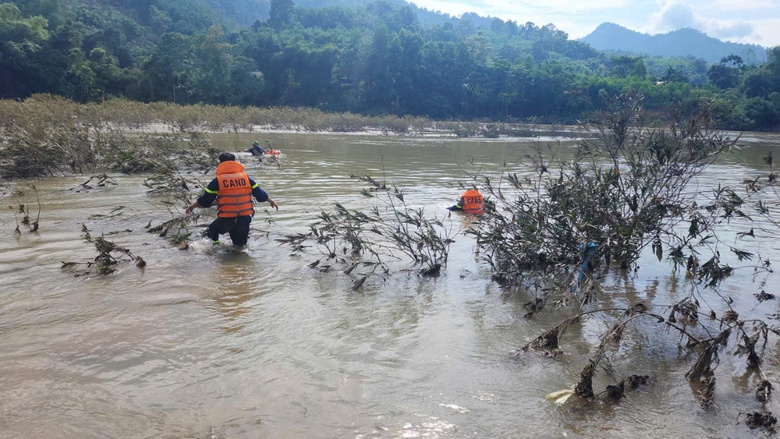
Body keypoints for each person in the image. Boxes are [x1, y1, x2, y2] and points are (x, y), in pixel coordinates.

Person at [185, 152, 278, 246]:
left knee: (213, 229)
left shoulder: (218, 181)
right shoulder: (246, 178)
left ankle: (215, 247)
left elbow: (206, 200)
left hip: (226, 219)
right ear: (234, 163)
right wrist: (271, 201)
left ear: (220, 163)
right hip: (244, 219)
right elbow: (260, 194)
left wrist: (193, 206)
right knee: (240, 247)